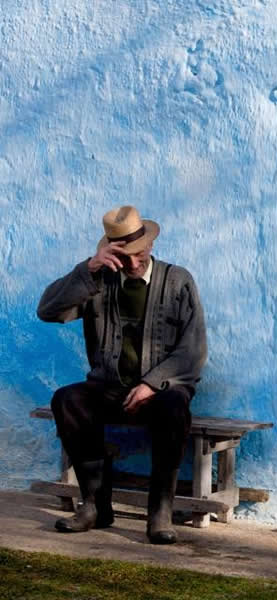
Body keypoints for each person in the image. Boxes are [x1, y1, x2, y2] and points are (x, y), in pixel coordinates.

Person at [37, 206, 207, 544]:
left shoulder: (178, 281)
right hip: (108, 389)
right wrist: (87, 270)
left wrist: (151, 384)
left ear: (149, 245)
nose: (133, 263)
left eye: (138, 254)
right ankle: (96, 506)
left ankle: (160, 513)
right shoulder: (96, 282)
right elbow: (47, 311)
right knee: (67, 400)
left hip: (161, 392)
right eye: (124, 256)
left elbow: (193, 349)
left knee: (174, 408)